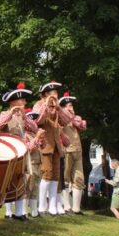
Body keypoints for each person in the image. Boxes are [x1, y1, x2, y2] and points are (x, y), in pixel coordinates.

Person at [0, 83, 43, 221]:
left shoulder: (22, 118)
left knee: (21, 181)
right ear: (14, 101)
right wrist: (11, 112)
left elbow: (34, 127)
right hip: (9, 152)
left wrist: (25, 116)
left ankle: (20, 213)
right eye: (22, 100)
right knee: (8, 181)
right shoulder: (4, 114)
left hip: (21, 153)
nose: (24, 103)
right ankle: (8, 212)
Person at [32, 81, 72, 216]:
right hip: (44, 145)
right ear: (45, 94)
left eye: (56, 93)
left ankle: (52, 206)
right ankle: (42, 206)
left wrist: (58, 108)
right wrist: (46, 104)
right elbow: (38, 121)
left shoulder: (56, 107)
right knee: (46, 174)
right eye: (52, 93)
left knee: (55, 176)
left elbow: (66, 121)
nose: (55, 95)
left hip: (55, 146)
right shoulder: (38, 105)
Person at [59, 92, 87, 215]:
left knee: (79, 179)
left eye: (72, 106)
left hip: (78, 150)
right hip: (67, 150)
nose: (72, 108)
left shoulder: (75, 118)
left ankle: (76, 208)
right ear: (63, 107)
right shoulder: (61, 118)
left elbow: (81, 127)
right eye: (69, 105)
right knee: (65, 179)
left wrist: (80, 122)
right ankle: (66, 206)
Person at [24, 109, 46, 217]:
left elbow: (43, 146)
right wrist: (37, 137)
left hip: (38, 164)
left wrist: (40, 137)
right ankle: (23, 211)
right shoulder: (25, 134)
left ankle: (34, 212)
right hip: (30, 164)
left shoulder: (34, 134)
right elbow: (29, 148)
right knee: (28, 188)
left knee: (35, 189)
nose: (34, 123)